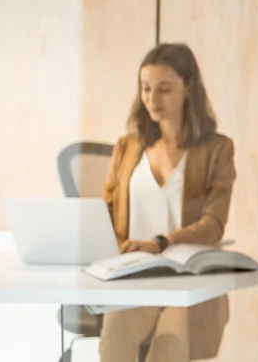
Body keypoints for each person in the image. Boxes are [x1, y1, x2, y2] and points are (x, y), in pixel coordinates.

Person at [99, 43, 236, 362]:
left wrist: (160, 243)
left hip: (187, 278)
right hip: (133, 276)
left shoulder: (217, 149)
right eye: (145, 89)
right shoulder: (127, 147)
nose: (151, 100)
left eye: (163, 89)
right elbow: (105, 212)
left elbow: (213, 224)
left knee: (169, 346)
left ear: (188, 89)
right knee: (114, 339)